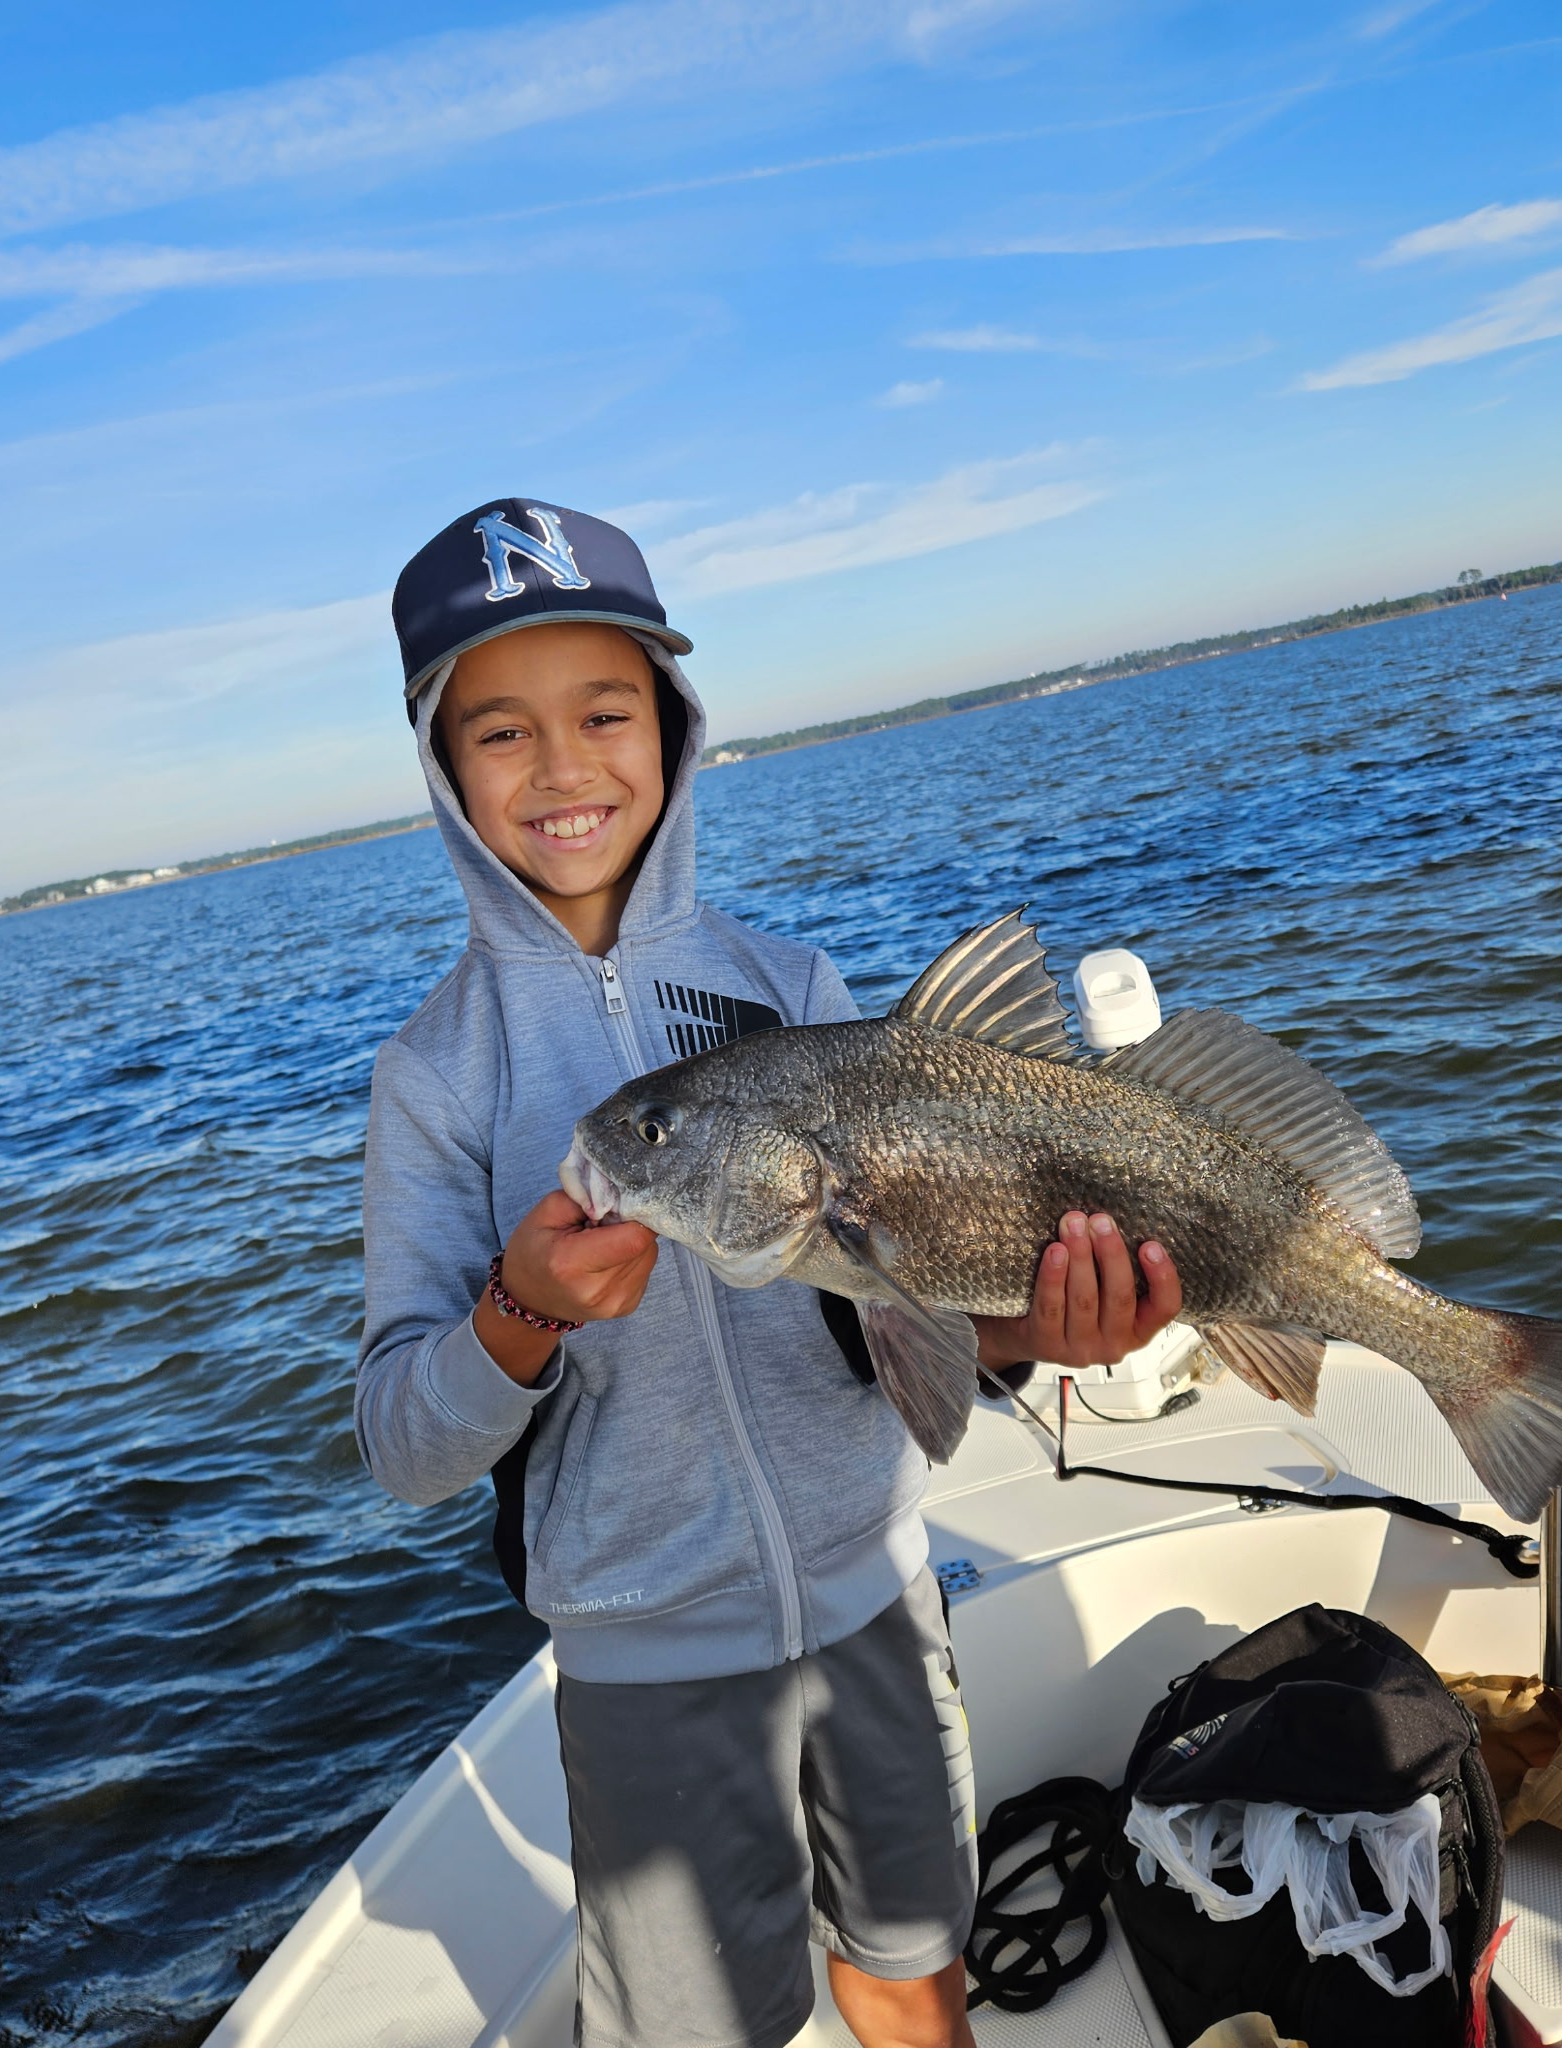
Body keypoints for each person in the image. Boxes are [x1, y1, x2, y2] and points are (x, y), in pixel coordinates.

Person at [355, 500, 1183, 2048]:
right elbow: (403, 1445)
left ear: (670, 723)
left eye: (604, 712)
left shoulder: (794, 991)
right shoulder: (436, 1081)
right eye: (501, 731)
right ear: (444, 771)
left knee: (911, 1948)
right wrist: (519, 1313)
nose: (563, 766)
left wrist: (1029, 1336)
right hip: (645, 1661)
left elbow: (899, 1316)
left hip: (878, 1592)